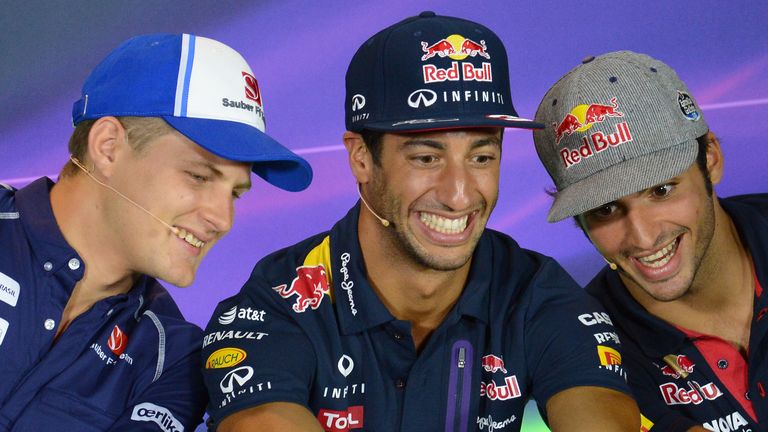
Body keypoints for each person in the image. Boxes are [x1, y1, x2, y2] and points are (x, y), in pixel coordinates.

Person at [200, 12, 639, 431]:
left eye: (482, 157)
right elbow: (259, 421)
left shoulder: (536, 293)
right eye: (427, 158)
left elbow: (599, 411)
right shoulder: (281, 300)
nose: (459, 195)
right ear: (361, 158)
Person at [0, 33, 312, 430]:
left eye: (235, 193)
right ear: (108, 146)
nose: (223, 219)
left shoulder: (173, 359)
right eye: (199, 176)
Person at [533, 50, 768, 431]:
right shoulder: (583, 348)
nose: (642, 237)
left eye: (661, 189)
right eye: (605, 210)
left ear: (710, 158)